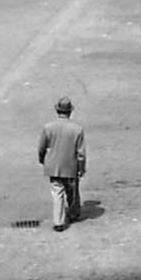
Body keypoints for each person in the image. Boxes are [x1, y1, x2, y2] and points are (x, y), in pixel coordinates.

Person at [37, 96, 86, 232]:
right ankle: (73, 213)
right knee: (72, 191)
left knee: (57, 193)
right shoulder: (77, 129)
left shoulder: (48, 128)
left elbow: (41, 147)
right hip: (70, 166)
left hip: (53, 166)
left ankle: (58, 222)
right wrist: (81, 168)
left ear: (57, 111)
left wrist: (43, 160)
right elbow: (81, 153)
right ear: (70, 112)